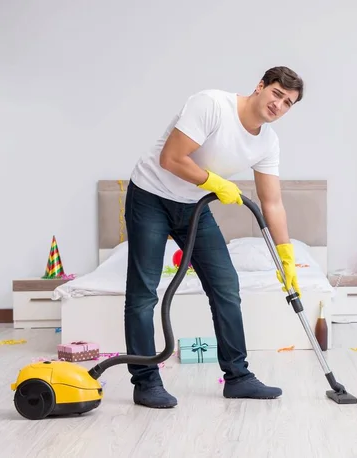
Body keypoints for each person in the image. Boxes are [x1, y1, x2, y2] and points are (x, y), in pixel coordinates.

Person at [123, 66, 304, 408]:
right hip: (150, 196)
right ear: (260, 86)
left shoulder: (268, 142)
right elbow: (171, 158)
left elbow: (272, 202)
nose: (278, 105)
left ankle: (238, 377)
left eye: (288, 103)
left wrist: (286, 255)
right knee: (144, 293)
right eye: (276, 94)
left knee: (225, 285)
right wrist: (216, 183)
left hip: (193, 206)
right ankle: (145, 382)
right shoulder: (211, 105)